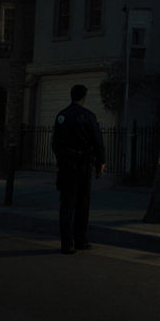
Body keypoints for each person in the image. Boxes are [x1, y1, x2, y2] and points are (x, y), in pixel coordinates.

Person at [51, 84, 106, 254]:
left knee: (67, 203)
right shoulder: (88, 116)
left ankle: (67, 243)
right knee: (82, 203)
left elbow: (55, 142)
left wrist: (61, 159)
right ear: (84, 97)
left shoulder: (62, 116)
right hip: (83, 164)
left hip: (67, 164)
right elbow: (97, 141)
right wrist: (100, 162)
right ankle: (80, 240)